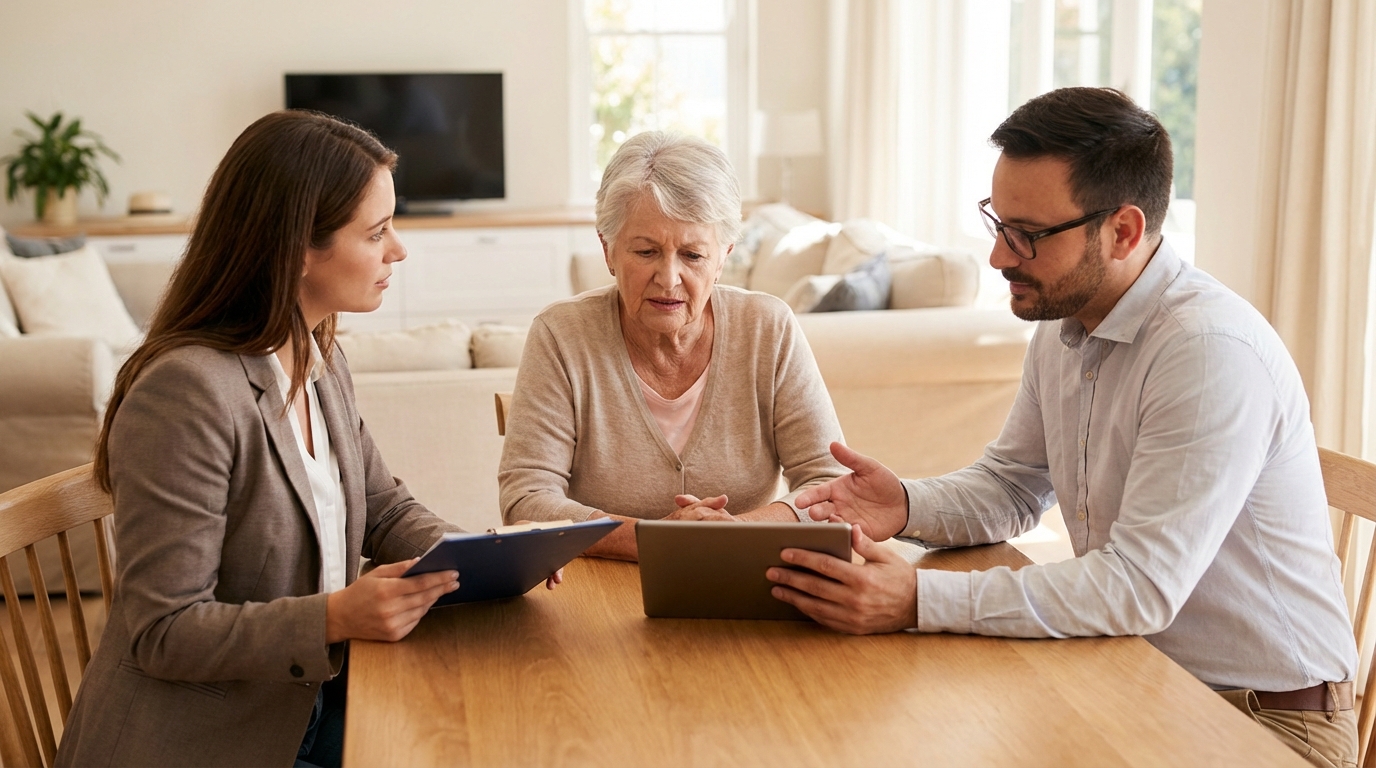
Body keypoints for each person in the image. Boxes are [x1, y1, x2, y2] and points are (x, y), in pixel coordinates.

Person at [766, 88, 1358, 767]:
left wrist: (916, 597)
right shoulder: (1068, 320)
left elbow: (1138, 586)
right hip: (1136, 678)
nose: (998, 258)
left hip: (1263, 724)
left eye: (1028, 235)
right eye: (997, 223)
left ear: (1124, 232)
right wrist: (903, 503)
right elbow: (1014, 485)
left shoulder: (1206, 351)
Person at [55, 111, 557, 768]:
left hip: (312, 698)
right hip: (208, 740)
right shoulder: (186, 393)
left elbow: (383, 507)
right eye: (376, 233)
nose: (399, 250)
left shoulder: (318, 355)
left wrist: (487, 560)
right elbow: (162, 631)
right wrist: (335, 617)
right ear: (296, 250)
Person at [498, 131, 846, 560]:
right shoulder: (561, 335)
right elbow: (526, 500)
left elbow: (830, 483)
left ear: (723, 257)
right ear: (608, 250)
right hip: (599, 591)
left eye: (693, 256)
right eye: (645, 252)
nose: (668, 278)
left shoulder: (768, 328)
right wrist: (652, 539)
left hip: (743, 578)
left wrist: (738, 532)